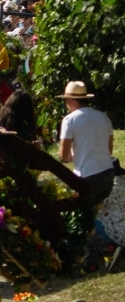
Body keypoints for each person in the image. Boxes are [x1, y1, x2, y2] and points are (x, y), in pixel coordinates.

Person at [58, 81, 117, 269]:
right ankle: (91, 262)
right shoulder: (103, 117)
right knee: (90, 216)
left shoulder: (70, 120)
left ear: (71, 100)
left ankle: (106, 246)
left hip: (87, 176)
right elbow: (109, 149)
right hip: (107, 174)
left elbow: (63, 156)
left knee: (81, 217)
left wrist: (73, 155)